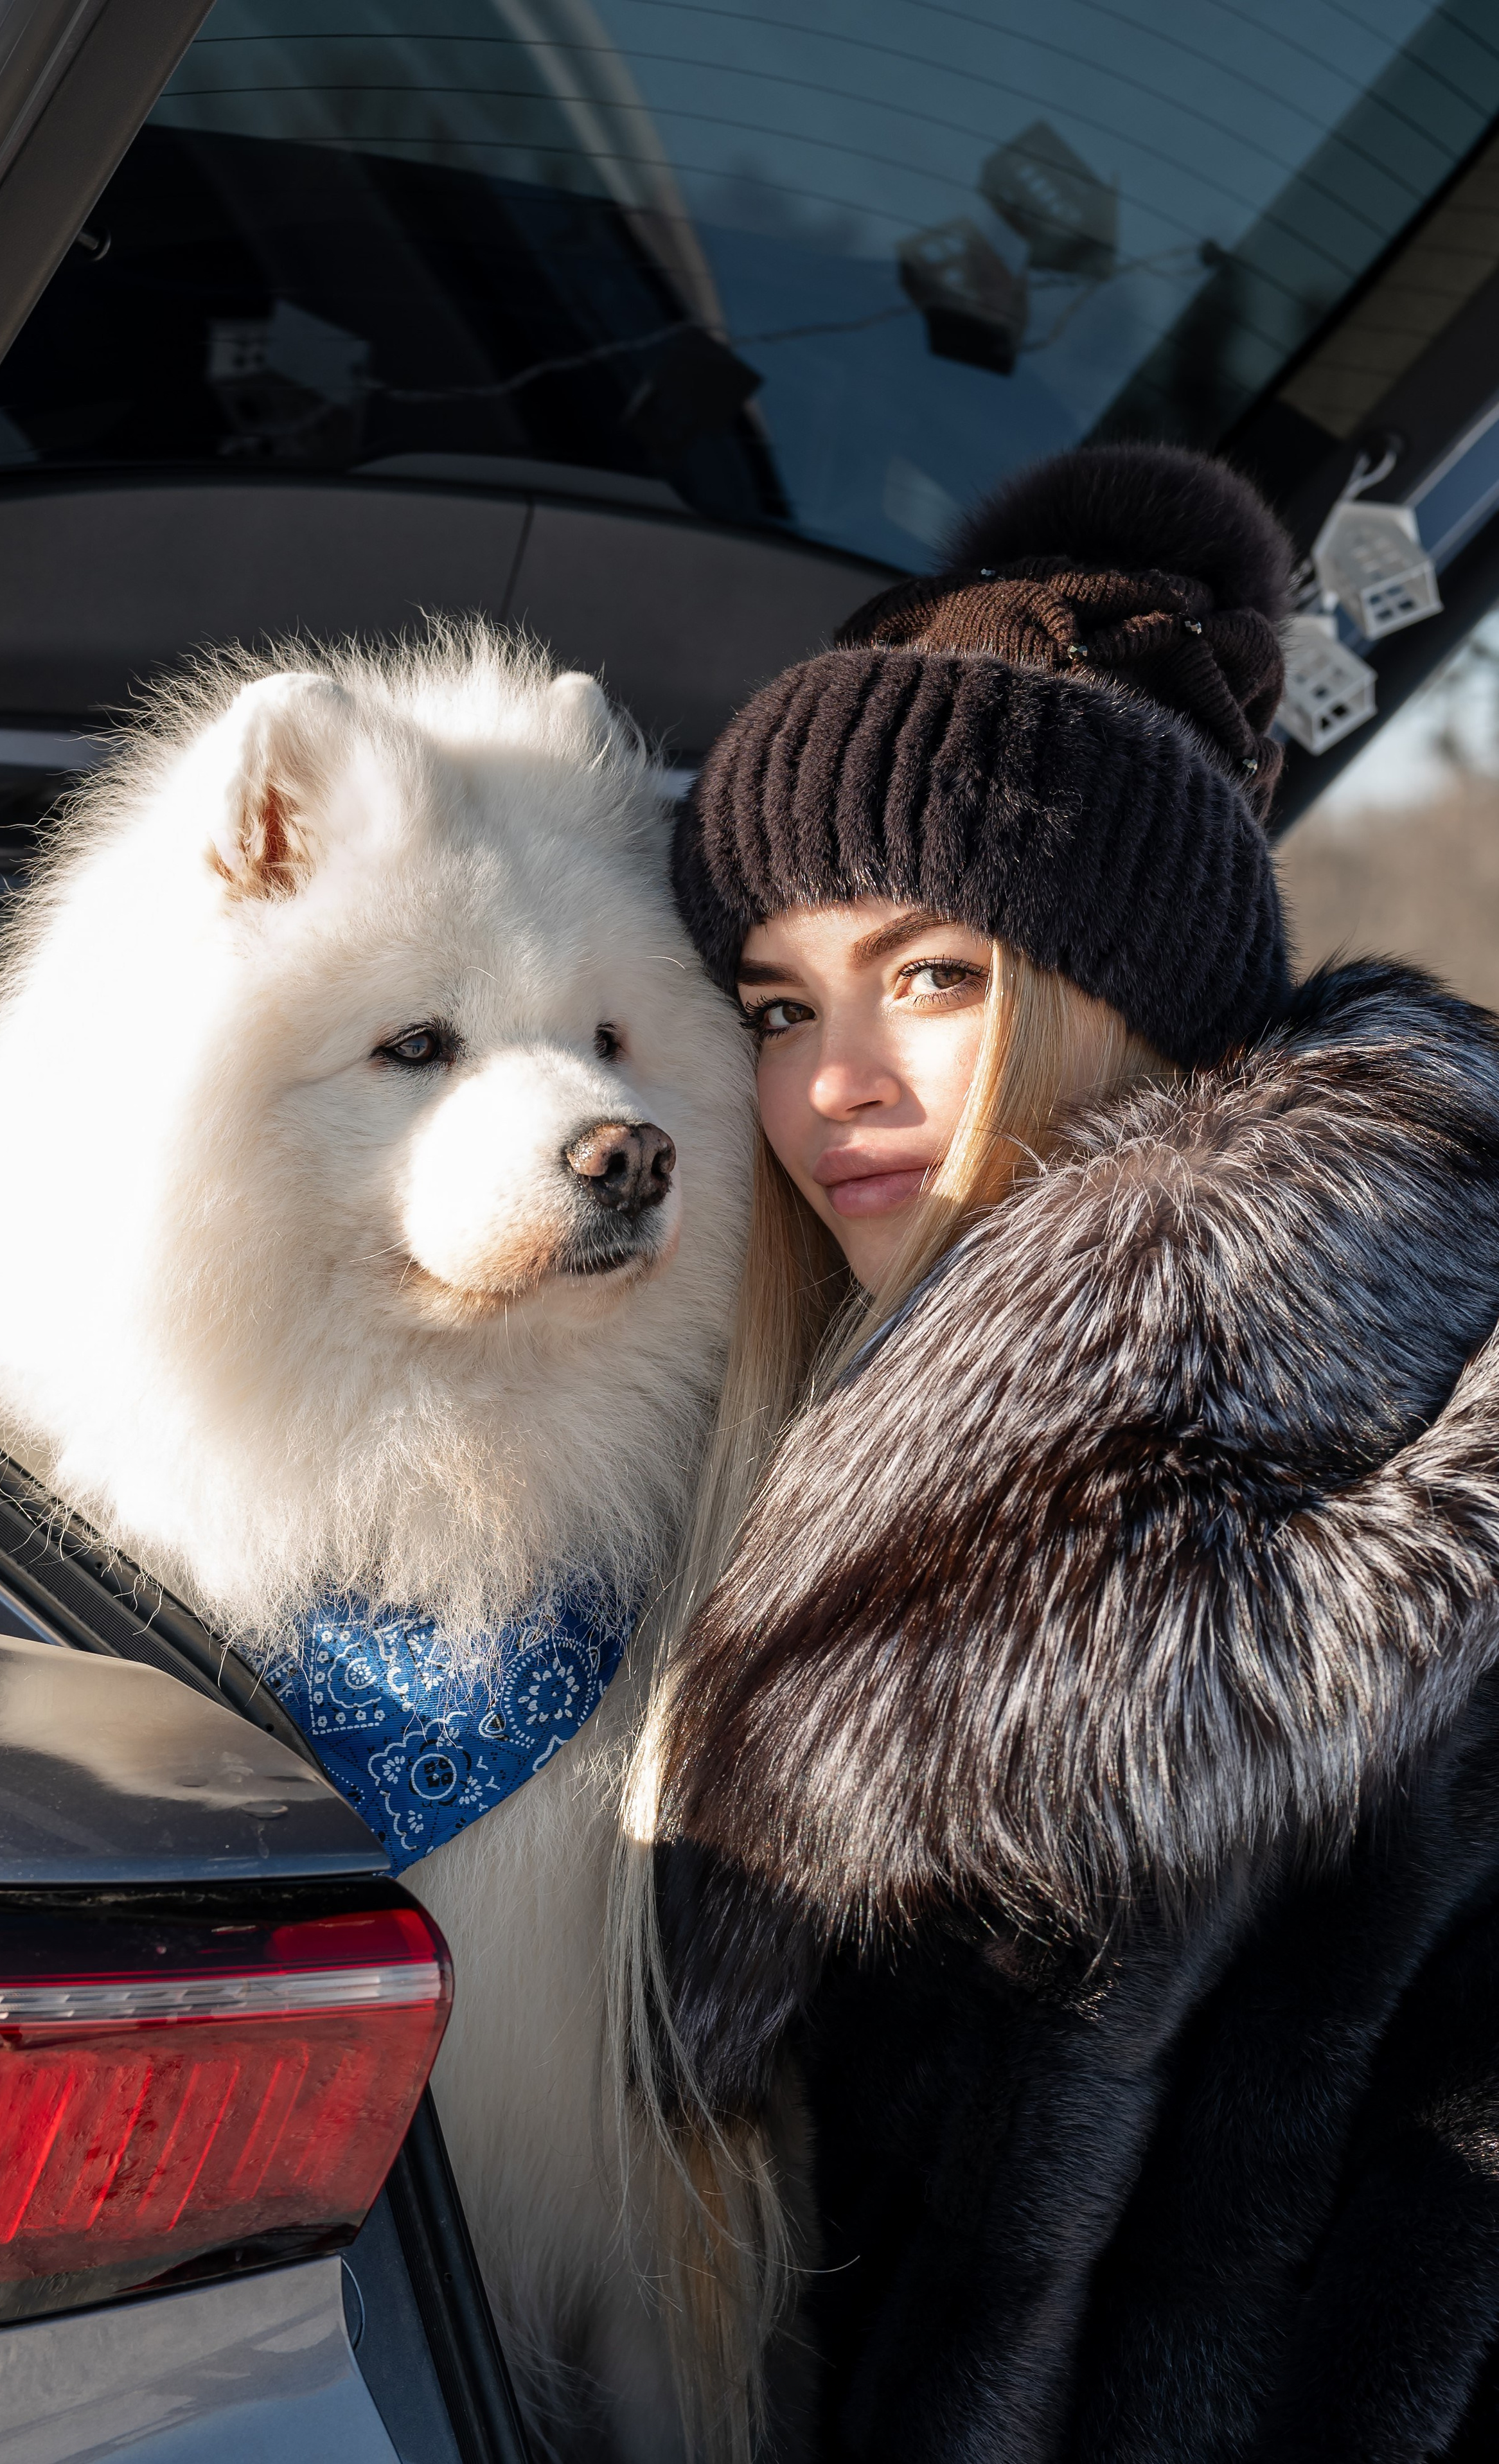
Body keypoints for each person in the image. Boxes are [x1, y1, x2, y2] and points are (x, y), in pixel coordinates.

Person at [634, 443, 1499, 2459]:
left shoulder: (1382, 1503)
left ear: (1124, 988)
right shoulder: (796, 1425)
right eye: (778, 1004)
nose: (832, 1083)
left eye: (932, 976)